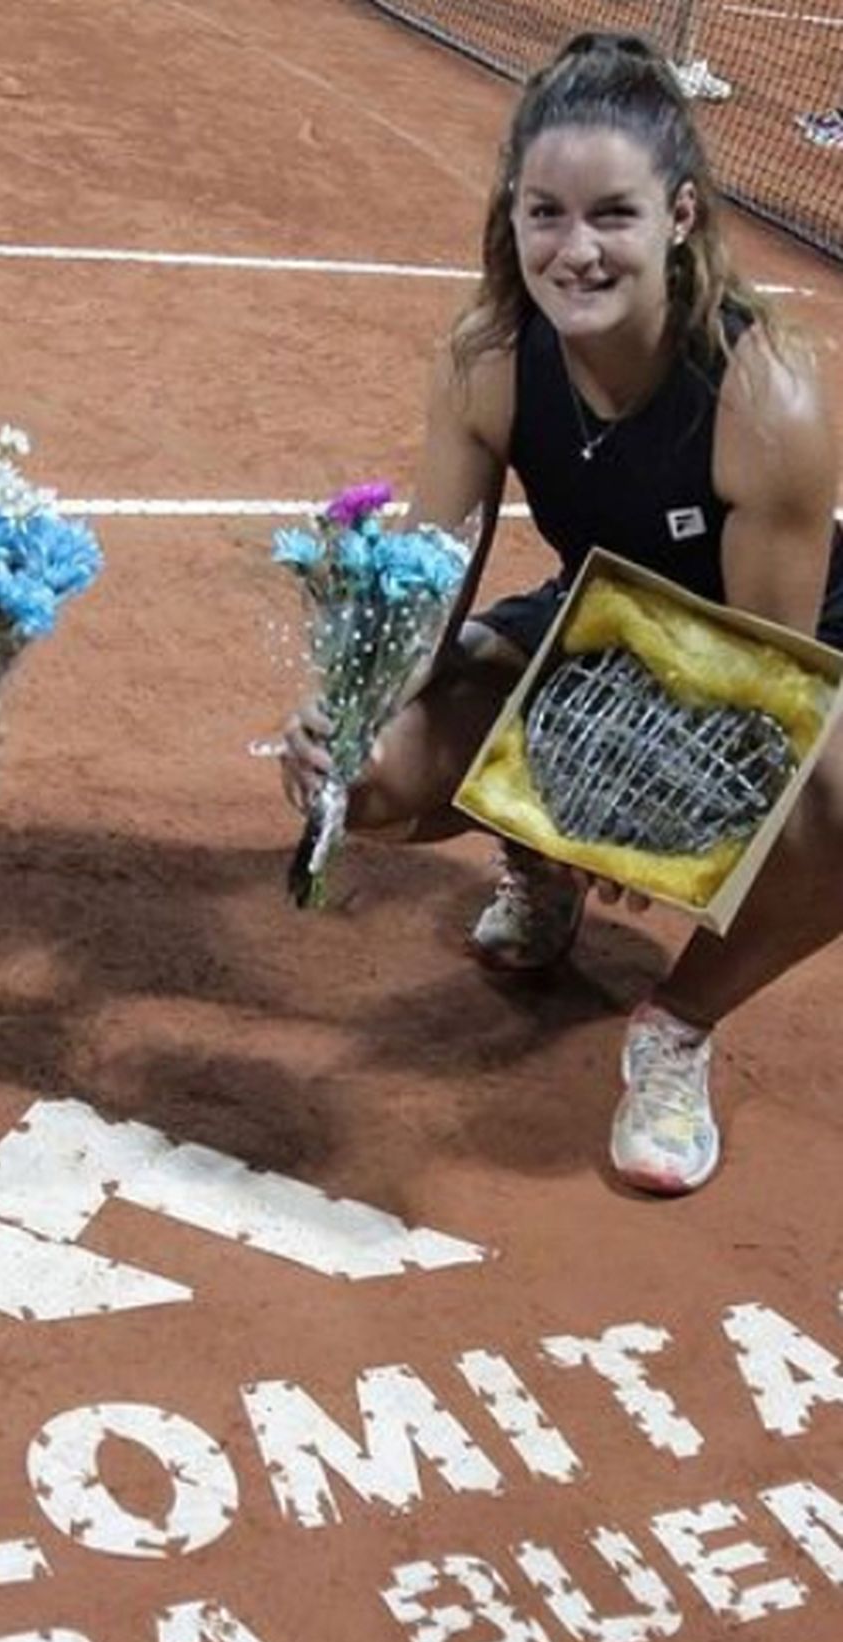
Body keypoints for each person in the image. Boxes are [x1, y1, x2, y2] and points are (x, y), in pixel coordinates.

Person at [281, 30, 843, 1197]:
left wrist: (644, 808)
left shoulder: (766, 395)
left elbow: (752, 705)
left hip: (768, 658)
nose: (573, 251)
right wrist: (346, 708)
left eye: (612, 216)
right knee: (377, 769)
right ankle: (537, 863)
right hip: (603, 621)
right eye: (546, 214)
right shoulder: (488, 356)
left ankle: (678, 1023)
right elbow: (428, 600)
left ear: (680, 216)